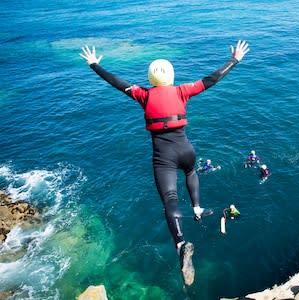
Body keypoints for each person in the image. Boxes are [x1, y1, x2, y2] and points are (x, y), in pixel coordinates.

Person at [80, 40, 250, 286]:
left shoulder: (143, 94)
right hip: (187, 151)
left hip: (164, 158)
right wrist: (234, 60)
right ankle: (197, 208)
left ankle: (181, 244)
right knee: (191, 171)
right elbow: (212, 79)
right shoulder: (183, 91)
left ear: (150, 77)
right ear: (172, 76)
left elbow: (116, 82)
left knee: (170, 199)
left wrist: (95, 65)